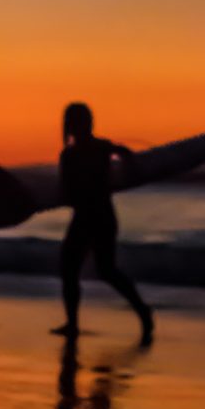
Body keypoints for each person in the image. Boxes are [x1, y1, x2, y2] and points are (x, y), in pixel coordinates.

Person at [51, 102, 153, 344]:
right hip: (102, 215)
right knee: (98, 270)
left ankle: (75, 325)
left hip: (90, 216)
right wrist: (133, 170)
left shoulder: (75, 153)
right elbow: (125, 153)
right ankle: (141, 311)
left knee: (77, 270)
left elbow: (67, 191)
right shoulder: (101, 148)